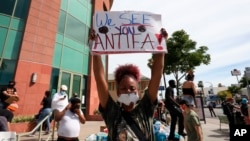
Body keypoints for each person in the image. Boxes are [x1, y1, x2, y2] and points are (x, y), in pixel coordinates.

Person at [92, 28, 167, 140]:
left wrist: (161, 47)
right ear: (117, 91)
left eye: (132, 88)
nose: (128, 91)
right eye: (123, 88)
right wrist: (95, 49)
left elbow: (157, 75)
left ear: (138, 90)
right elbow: (99, 78)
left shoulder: (145, 109)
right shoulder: (111, 112)